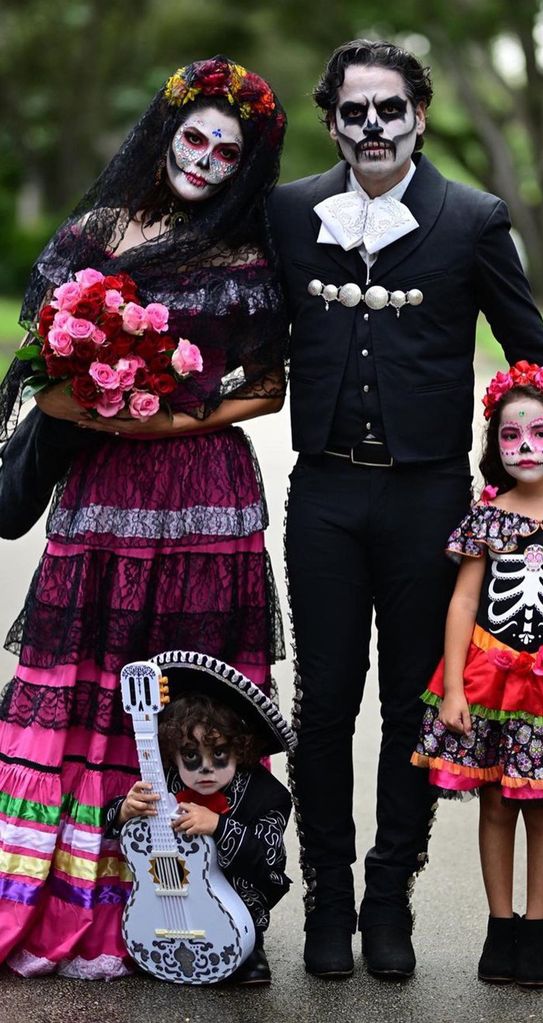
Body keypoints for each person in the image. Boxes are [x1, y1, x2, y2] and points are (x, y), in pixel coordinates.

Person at [267, 39, 543, 980]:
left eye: (388, 110)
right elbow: (233, 318)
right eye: (353, 112)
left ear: (419, 116)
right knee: (323, 706)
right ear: (331, 120)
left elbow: (535, 354)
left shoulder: (472, 218)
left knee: (413, 704)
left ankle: (390, 896)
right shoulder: (288, 212)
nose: (371, 128)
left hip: (428, 496)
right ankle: (327, 896)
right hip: (322, 489)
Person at [0, 57, 288, 978]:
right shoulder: (93, 234)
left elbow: (274, 385)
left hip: (205, 498)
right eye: (194, 137)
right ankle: (69, 905)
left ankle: (199, 907)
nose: (204, 159)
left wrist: (167, 417)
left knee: (192, 692)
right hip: (104, 495)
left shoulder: (249, 249)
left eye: (226, 151)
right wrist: (108, 411)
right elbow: (49, 384)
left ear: (246, 167)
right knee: (90, 674)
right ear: (164, 134)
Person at [412, 362, 543, 987]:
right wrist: (450, 687)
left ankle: (538, 929)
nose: (525, 447)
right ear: (495, 444)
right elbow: (465, 602)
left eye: (540, 433)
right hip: (486, 680)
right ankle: (500, 928)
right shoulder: (488, 517)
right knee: (495, 804)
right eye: (510, 436)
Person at [105, 649, 296, 985]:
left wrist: (219, 827)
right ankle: (162, 939)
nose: (206, 767)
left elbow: (269, 858)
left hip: (239, 897)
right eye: (191, 755)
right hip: (172, 898)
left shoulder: (267, 795)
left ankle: (250, 948)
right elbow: (111, 823)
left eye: (219, 753)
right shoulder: (164, 781)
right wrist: (124, 811)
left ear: (241, 748)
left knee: (249, 881)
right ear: (171, 754)